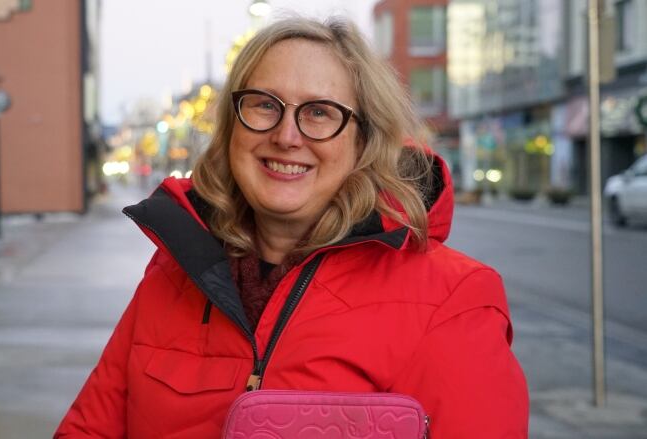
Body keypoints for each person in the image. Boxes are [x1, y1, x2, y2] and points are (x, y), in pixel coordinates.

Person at [55, 16, 529, 438]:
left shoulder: (454, 298)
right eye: (264, 104)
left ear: (364, 140)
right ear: (232, 126)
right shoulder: (174, 271)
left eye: (320, 112)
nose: (286, 136)